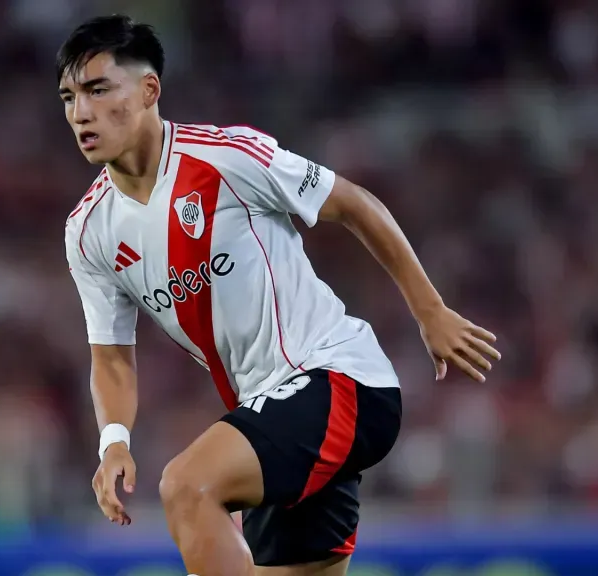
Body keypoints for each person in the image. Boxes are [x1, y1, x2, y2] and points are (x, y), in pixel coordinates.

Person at [59, 14, 501, 576]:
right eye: (69, 97)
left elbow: (353, 203)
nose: (81, 113)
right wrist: (113, 442)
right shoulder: (89, 232)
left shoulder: (227, 157)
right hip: (273, 420)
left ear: (149, 91)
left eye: (99, 90)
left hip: (339, 379)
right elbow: (112, 357)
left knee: (187, 486)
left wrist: (430, 310)